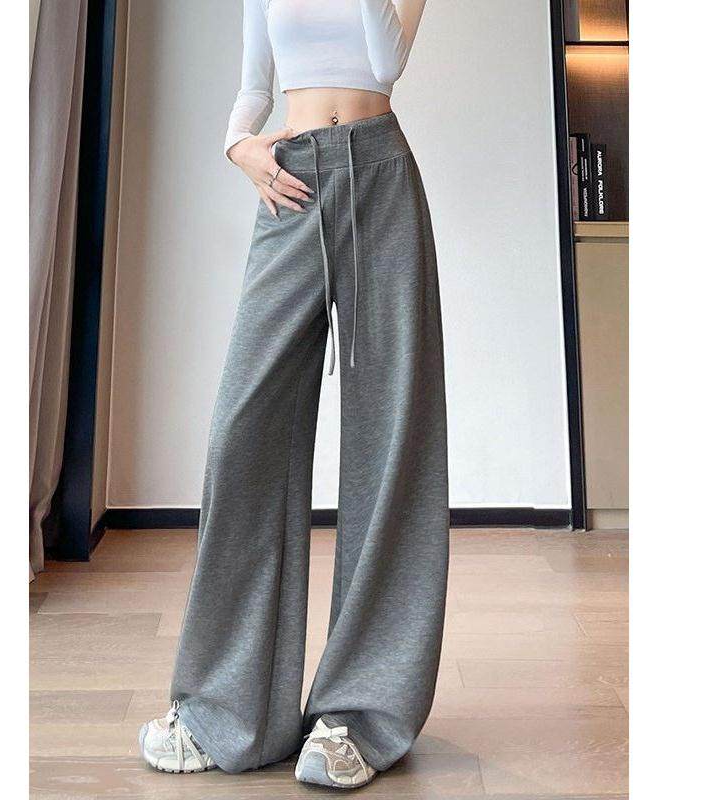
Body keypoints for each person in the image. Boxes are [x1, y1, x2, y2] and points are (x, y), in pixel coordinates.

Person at [139, 0, 447, 790]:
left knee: (391, 438)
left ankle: (360, 713)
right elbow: (255, 87)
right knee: (244, 432)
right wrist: (238, 145)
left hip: (381, 176)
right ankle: (226, 709)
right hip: (293, 184)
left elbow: (385, 64)